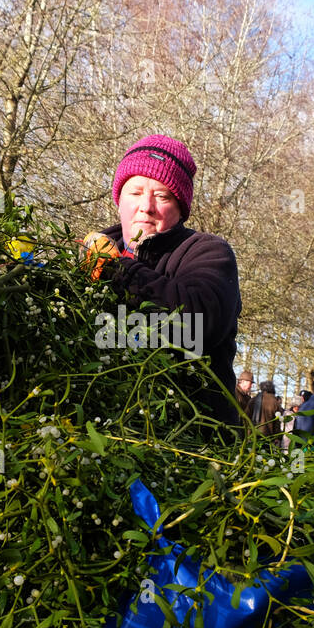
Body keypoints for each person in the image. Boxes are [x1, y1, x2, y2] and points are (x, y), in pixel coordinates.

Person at [81, 134, 241, 425]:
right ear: (119, 201)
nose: (147, 206)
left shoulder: (208, 252)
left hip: (195, 439)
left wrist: (117, 269)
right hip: (111, 433)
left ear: (180, 208)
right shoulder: (92, 249)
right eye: (136, 192)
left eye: (162, 196)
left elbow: (194, 326)